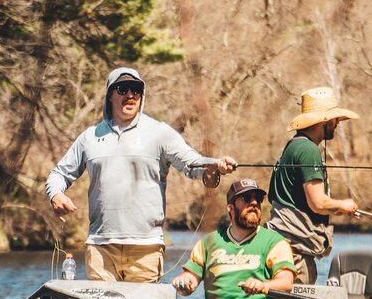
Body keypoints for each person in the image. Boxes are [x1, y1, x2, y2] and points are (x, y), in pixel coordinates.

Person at [46, 67, 237, 282]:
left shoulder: (159, 133)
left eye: (136, 89)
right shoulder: (89, 137)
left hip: (146, 249)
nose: (130, 95)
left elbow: (191, 163)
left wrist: (215, 165)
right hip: (100, 248)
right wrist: (56, 194)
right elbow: (58, 174)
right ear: (110, 95)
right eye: (122, 88)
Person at [171, 178, 297, 299]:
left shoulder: (275, 242)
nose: (253, 203)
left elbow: (286, 283)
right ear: (230, 208)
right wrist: (184, 282)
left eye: (257, 199)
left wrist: (263, 285)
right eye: (246, 199)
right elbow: (190, 281)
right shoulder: (208, 242)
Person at [266, 86, 359, 285]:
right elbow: (317, 202)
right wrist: (343, 205)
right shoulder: (308, 150)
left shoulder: (293, 146)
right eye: (334, 120)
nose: (337, 124)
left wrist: (333, 207)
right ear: (323, 121)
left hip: (280, 242)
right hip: (294, 249)